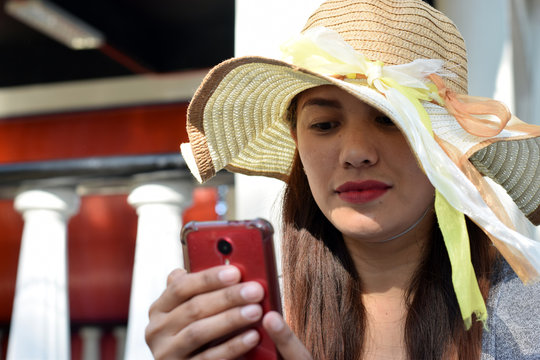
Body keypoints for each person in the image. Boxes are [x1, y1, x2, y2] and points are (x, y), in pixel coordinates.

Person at [146, 0, 540, 359]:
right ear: (297, 142)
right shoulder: (252, 314)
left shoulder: (527, 316)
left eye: (390, 119)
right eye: (324, 124)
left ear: (448, 148)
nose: (355, 153)